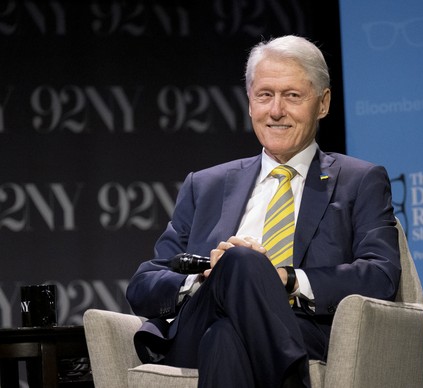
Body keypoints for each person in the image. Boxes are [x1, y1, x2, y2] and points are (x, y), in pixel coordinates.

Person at [126, 35, 401, 388]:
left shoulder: (359, 180)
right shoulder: (205, 185)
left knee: (224, 338)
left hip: (302, 330)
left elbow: (381, 274)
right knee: (237, 262)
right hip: (195, 326)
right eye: (265, 95)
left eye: (292, 96)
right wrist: (206, 279)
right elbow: (144, 284)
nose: (275, 111)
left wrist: (287, 279)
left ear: (323, 103)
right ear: (250, 103)